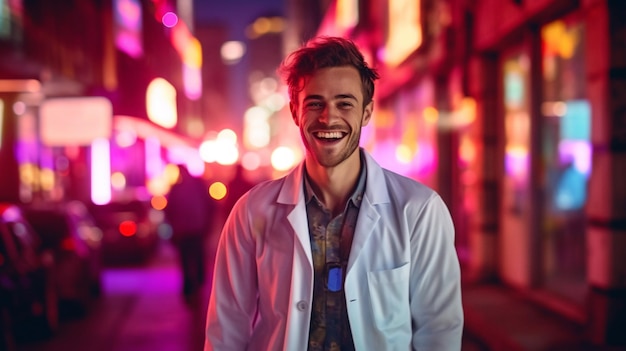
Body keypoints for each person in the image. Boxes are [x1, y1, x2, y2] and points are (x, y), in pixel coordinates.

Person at [204, 36, 463, 350]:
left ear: (366, 112)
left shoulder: (420, 211)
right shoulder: (251, 212)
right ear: (295, 112)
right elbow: (226, 330)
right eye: (315, 103)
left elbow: (439, 331)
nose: (328, 118)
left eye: (345, 103)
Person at [164, 164, 215, 304]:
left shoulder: (178, 188)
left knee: (187, 259)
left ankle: (190, 286)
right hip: (195, 228)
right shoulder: (197, 185)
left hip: (186, 230)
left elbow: (169, 210)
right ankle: (196, 284)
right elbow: (210, 205)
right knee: (196, 257)